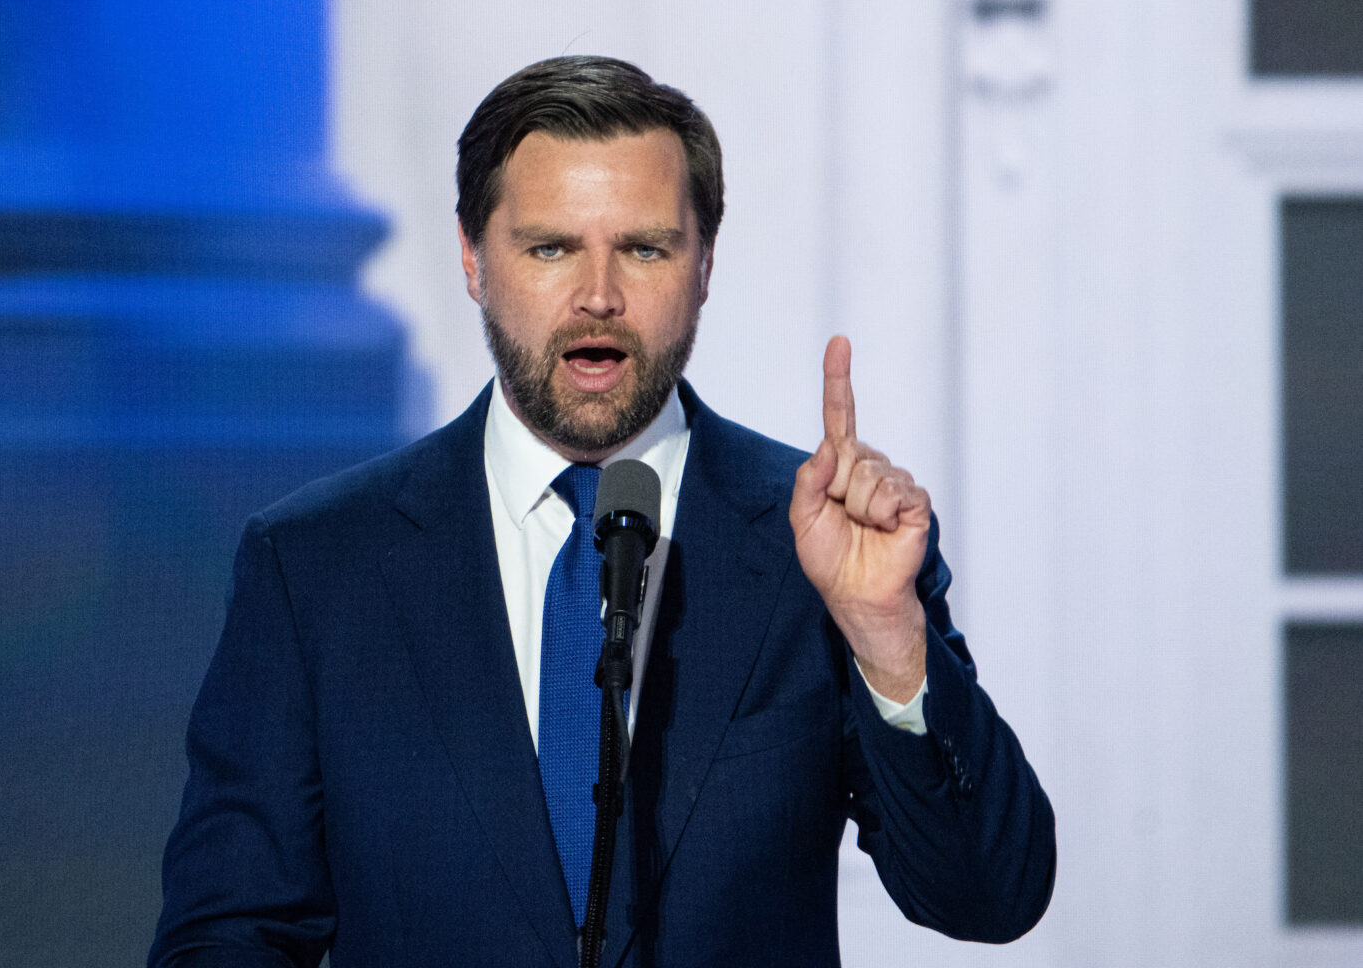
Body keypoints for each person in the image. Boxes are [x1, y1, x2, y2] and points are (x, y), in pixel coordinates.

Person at [148, 56, 1055, 968]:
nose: (598, 295)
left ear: (704, 266)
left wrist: (886, 639)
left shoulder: (821, 550)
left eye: (645, 248)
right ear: (471, 258)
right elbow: (229, 937)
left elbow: (991, 895)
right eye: (549, 248)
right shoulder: (314, 568)